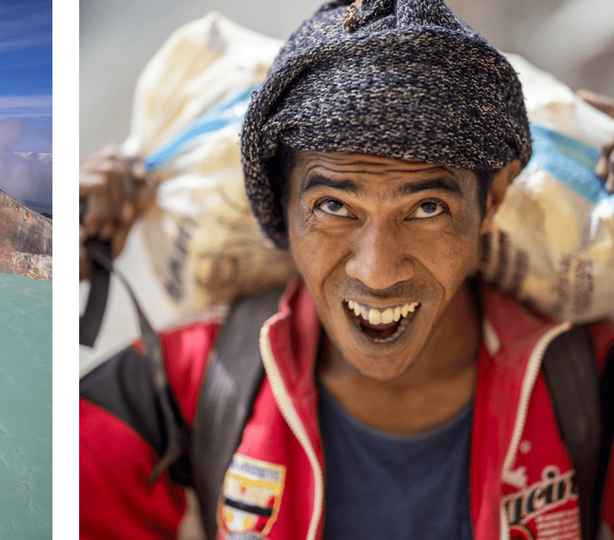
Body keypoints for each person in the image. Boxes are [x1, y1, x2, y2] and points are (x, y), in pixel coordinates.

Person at [79, 1, 614, 539]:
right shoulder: (185, 383)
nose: (378, 272)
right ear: (281, 206)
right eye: (334, 207)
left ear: (492, 199)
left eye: (427, 208)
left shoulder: (587, 376)